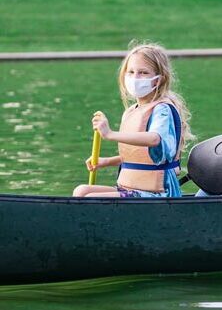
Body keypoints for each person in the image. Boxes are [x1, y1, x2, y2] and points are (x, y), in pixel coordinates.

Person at [73, 42, 193, 198]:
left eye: (143, 73)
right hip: (130, 188)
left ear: (157, 80)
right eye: (131, 72)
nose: (135, 77)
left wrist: (110, 134)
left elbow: (155, 138)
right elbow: (139, 155)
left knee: (91, 198)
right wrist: (106, 161)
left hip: (156, 192)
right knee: (81, 191)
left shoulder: (162, 110)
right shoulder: (132, 111)